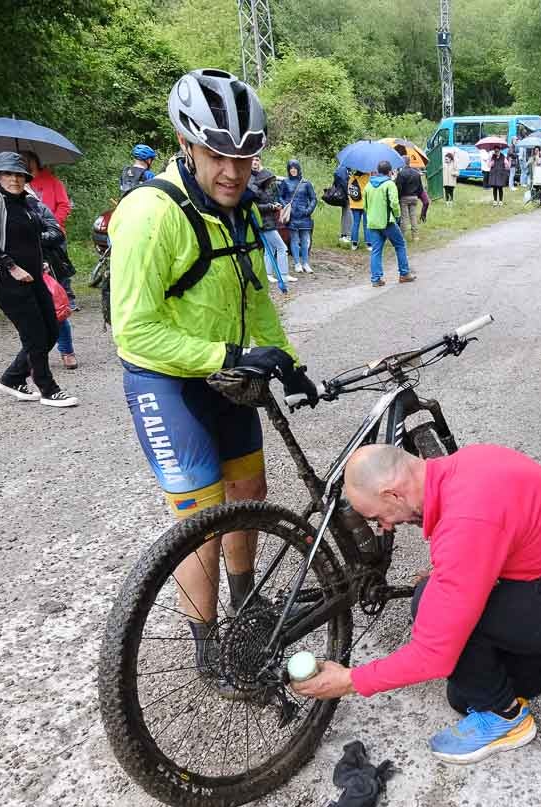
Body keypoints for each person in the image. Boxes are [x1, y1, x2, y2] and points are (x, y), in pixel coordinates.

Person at [109, 69, 319, 672]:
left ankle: (246, 603)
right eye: (217, 154)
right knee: (200, 523)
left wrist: (291, 364)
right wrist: (226, 357)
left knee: (249, 493)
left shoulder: (242, 211)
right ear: (185, 144)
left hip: (230, 379)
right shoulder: (149, 214)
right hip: (167, 381)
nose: (233, 171)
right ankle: (208, 647)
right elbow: (136, 331)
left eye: (246, 158)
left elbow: (256, 300)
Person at [291, 444, 541, 765]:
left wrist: (351, 680)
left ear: (393, 494)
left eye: (377, 517)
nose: (383, 527)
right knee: (463, 693)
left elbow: (434, 655)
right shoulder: (464, 464)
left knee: (432, 609)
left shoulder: (466, 521)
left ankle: (506, 718)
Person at [0, 152, 74, 404]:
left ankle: (12, 378)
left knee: (51, 329)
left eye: (19, 174)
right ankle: (47, 388)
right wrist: (11, 266)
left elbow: (34, 236)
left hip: (35, 276)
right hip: (9, 280)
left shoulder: (26, 201)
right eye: (8, 174)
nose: (14, 179)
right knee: (35, 335)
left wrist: (41, 260)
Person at [21, 151, 78, 367]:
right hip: (19, 266)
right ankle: (34, 357)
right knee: (27, 314)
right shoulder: (2, 206)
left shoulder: (42, 196)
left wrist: (38, 236)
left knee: (57, 307)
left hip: (46, 259)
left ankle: (66, 350)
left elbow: (55, 228)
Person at [363, 159, 415, 288]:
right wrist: (397, 216)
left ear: (378, 171)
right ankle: (404, 274)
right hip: (387, 222)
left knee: (376, 250)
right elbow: (394, 204)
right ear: (390, 171)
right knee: (400, 245)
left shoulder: (368, 185)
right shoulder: (389, 184)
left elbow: (365, 205)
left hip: (373, 223)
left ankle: (376, 279)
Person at [248, 156, 293, 284]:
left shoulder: (263, 182)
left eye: (257, 160)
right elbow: (253, 206)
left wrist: (274, 205)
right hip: (262, 222)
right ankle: (284, 275)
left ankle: (268, 274)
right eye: (253, 160)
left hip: (268, 220)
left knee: (270, 249)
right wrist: (271, 206)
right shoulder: (250, 182)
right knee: (282, 247)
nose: (255, 162)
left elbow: (266, 199)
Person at [278, 159, 316, 272]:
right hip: (292, 215)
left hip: (304, 215)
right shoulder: (285, 182)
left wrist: (309, 210)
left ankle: (305, 263)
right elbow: (280, 197)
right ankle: (297, 263)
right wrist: (286, 206)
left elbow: (313, 198)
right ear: (288, 170)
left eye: (295, 168)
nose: (293, 170)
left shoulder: (306, 183)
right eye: (291, 168)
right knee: (294, 240)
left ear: (298, 169)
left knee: (305, 240)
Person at [393, 146, 425, 242]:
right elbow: (420, 187)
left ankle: (402, 237)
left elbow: (398, 187)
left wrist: (398, 198)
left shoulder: (401, 174)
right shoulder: (416, 173)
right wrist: (418, 196)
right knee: (413, 216)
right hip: (414, 197)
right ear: (409, 162)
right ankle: (415, 236)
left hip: (404, 198)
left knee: (404, 218)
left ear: (403, 162)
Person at [346, 167, 368, 249]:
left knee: (355, 223)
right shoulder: (367, 177)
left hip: (354, 204)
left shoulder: (352, 178)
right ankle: (368, 243)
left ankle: (354, 244)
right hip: (365, 204)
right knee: (366, 224)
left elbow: (349, 191)